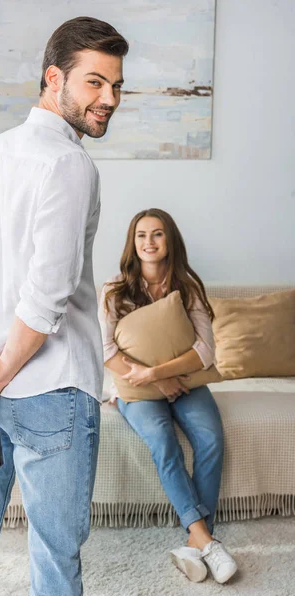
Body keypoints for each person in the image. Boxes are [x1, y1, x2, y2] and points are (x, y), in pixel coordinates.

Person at [0, 17, 129, 596]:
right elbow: (46, 298)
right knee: (56, 556)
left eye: (116, 86)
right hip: (53, 391)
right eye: (94, 83)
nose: (108, 99)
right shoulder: (70, 164)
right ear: (53, 77)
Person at [98, 208, 238, 584]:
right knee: (162, 441)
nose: (149, 242)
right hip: (136, 391)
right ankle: (208, 540)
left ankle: (195, 541)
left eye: (157, 234)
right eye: (142, 235)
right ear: (133, 242)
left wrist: (162, 373)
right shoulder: (114, 290)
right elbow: (105, 349)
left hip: (185, 383)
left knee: (210, 438)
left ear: (170, 240)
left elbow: (205, 351)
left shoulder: (186, 287)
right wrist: (155, 383)